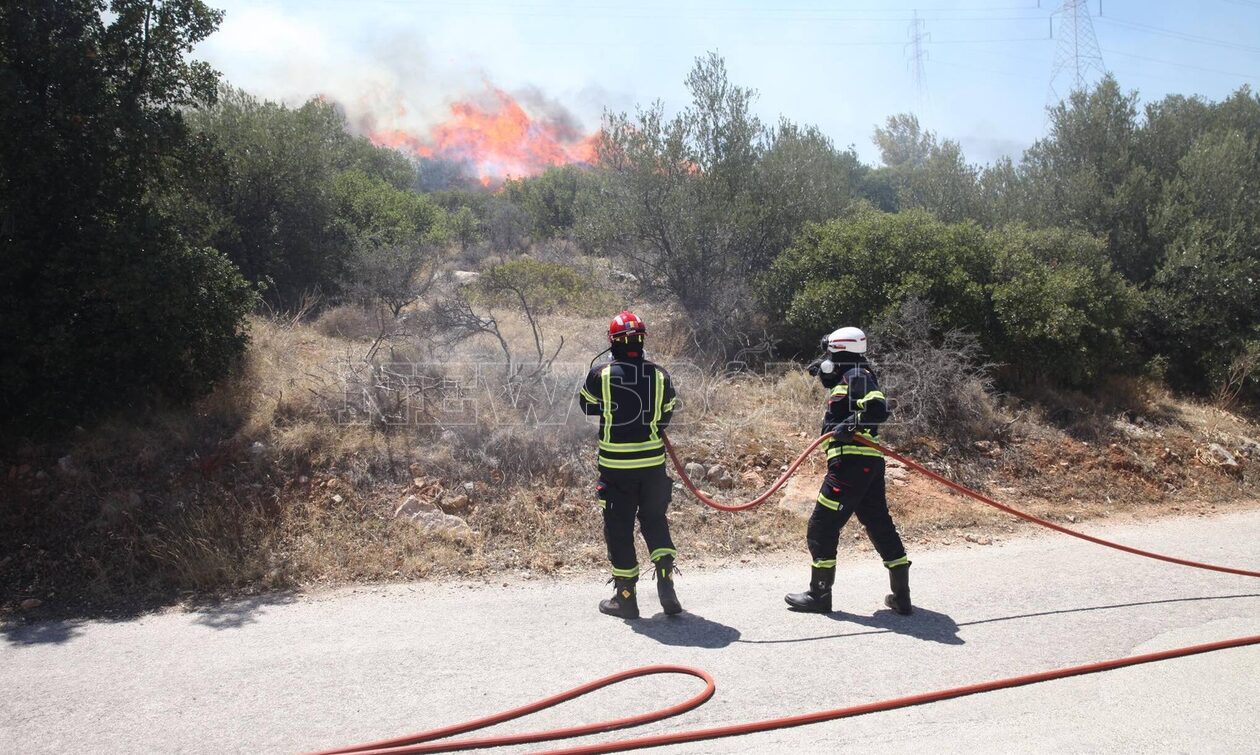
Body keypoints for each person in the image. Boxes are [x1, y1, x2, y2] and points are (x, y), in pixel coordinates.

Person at [785, 326, 912, 615]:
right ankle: (901, 596)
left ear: (840, 351)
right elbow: (844, 392)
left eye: (829, 351)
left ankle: (819, 595)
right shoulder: (854, 373)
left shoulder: (856, 375)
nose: (826, 356)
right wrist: (823, 371)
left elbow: (878, 409)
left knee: (821, 527)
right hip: (867, 465)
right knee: (879, 524)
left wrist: (851, 425)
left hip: (850, 465)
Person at [577, 311, 680, 619]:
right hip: (653, 468)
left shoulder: (601, 374)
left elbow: (587, 405)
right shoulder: (660, 374)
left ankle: (625, 598)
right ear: (642, 341)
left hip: (616, 470)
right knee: (655, 520)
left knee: (619, 529)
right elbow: (667, 412)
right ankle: (667, 584)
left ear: (613, 343)